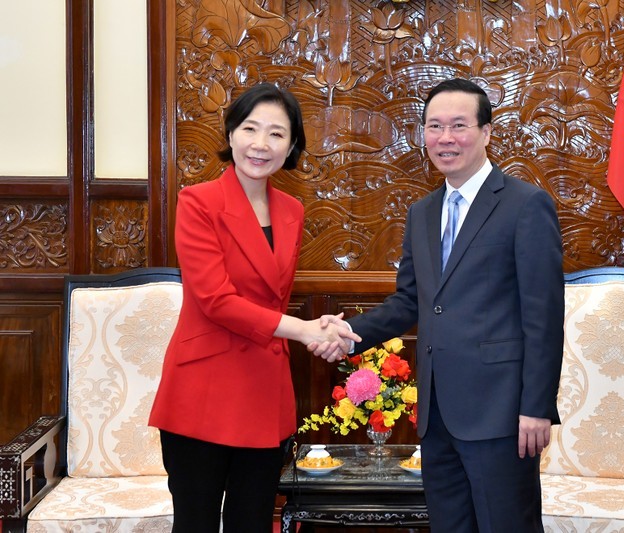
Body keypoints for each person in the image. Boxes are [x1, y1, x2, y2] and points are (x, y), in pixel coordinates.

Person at [314, 78, 564, 532]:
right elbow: (411, 300)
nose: (445, 138)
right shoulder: (423, 212)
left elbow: (544, 318)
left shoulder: (526, 205)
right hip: (437, 415)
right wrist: (349, 337)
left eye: (459, 125)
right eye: (434, 126)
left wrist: (537, 407)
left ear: (487, 132)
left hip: (501, 413)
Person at [149, 83, 360, 533]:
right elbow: (216, 300)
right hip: (202, 390)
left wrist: (317, 325)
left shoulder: (292, 210)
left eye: (277, 134)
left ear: (292, 146)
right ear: (231, 134)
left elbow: (272, 299)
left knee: (253, 521)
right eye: (250, 128)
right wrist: (303, 331)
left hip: (264, 390)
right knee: (196, 523)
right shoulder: (198, 201)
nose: (260, 144)